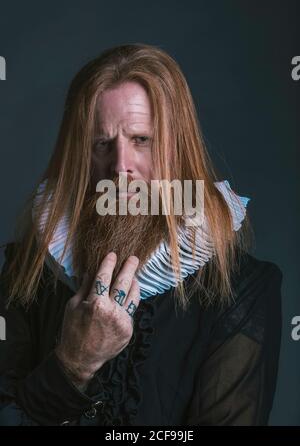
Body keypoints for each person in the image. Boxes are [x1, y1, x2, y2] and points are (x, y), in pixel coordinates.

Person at [0, 43, 282, 426]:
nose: (120, 167)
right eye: (102, 144)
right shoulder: (29, 270)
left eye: (141, 140)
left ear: (176, 148)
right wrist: (73, 363)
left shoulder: (241, 288)